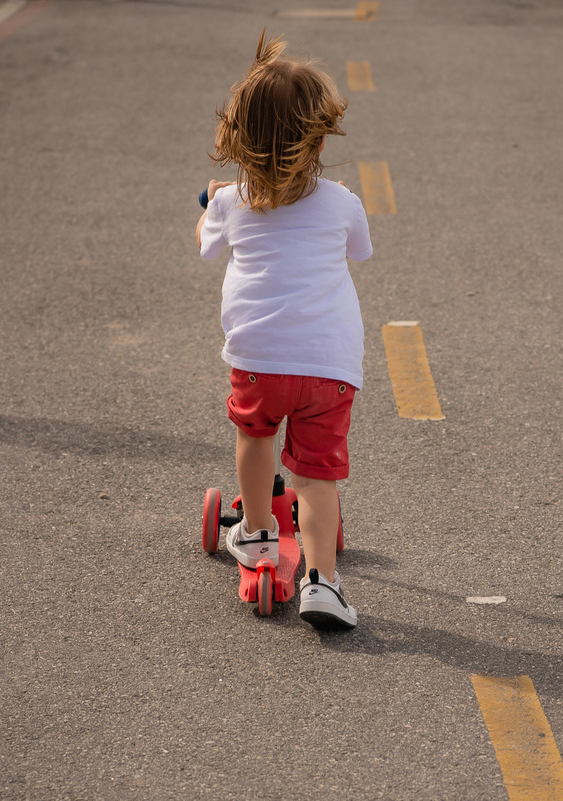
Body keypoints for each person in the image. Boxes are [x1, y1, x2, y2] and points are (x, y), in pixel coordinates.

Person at [195, 31, 371, 628]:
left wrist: (212, 203)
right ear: (318, 139)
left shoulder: (231, 202)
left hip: (260, 361)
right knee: (317, 476)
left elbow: (205, 246)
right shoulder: (342, 201)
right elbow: (359, 250)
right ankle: (323, 584)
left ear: (238, 137)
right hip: (330, 367)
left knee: (256, 436)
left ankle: (257, 531)